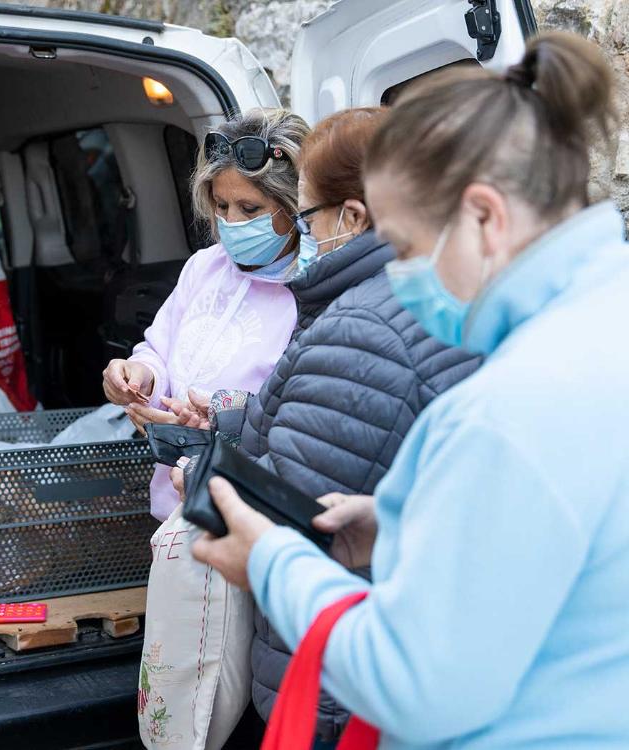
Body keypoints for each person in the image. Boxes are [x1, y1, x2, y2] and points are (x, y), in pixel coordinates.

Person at [193, 31, 629, 748]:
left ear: (485, 217)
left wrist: (274, 564)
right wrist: (402, 527)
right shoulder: (597, 329)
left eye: (402, 247)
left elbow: (415, 686)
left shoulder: (516, 405)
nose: (395, 275)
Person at [172, 106, 480, 742]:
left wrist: (206, 485)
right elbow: (342, 433)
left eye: (303, 216)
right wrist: (231, 420)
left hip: (336, 672)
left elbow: (300, 509)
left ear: (354, 217)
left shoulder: (359, 325)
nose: (300, 234)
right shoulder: (451, 297)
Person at [103, 108, 307, 521]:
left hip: (252, 511)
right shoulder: (204, 267)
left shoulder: (310, 291)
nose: (231, 222)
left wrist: (221, 417)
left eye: (250, 209)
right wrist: (140, 375)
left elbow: (299, 415)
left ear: (296, 204)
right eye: (221, 205)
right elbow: (159, 349)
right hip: (173, 504)